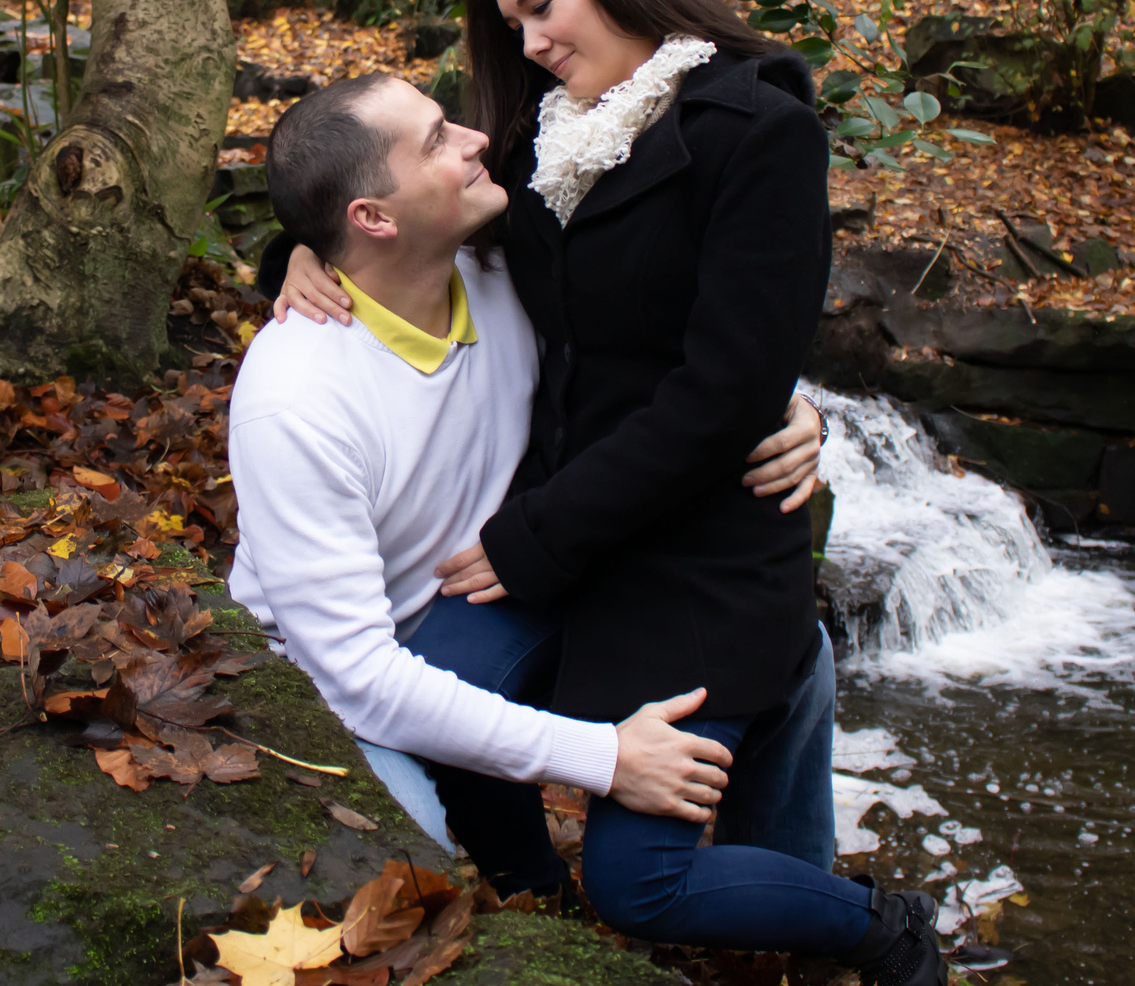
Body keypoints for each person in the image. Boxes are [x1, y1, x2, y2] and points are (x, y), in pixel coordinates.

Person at [269, 0, 946, 986]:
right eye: (514, 26)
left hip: (688, 549)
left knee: (644, 881)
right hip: (564, 534)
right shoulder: (546, 140)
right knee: (435, 706)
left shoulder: (756, 131)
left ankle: (885, 925)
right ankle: (536, 907)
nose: (531, 45)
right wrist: (296, 256)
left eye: (543, 8)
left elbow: (725, 389)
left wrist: (537, 538)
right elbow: (384, 207)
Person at [228, 72, 823, 867]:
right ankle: (530, 893)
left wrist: (782, 402)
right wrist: (605, 756)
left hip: (487, 598)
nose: (478, 138)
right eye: (438, 140)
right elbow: (361, 678)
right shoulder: (294, 400)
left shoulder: (506, 280)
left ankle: (785, 903)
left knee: (790, 642)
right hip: (327, 678)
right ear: (371, 217)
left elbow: (684, 347)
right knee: (413, 850)